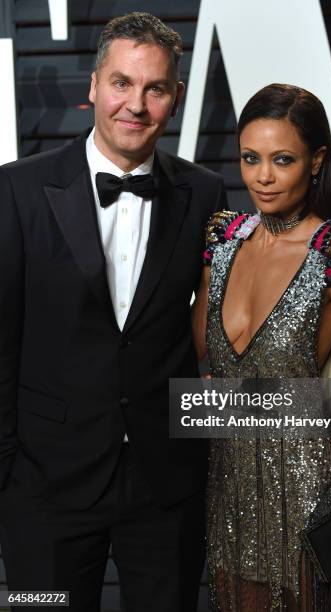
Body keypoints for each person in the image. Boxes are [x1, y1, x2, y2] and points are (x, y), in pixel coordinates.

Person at [0, 12, 227, 612]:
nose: (136, 104)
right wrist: (9, 477)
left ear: (174, 99)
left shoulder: (204, 193)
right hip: (45, 487)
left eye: (154, 89)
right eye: (122, 83)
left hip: (164, 483)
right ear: (95, 86)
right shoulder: (18, 190)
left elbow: (211, 332)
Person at [192, 84, 331, 611]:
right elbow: (197, 361)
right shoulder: (222, 239)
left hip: (310, 490)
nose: (262, 176)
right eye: (250, 158)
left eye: (282, 160)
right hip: (230, 490)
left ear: (316, 160)